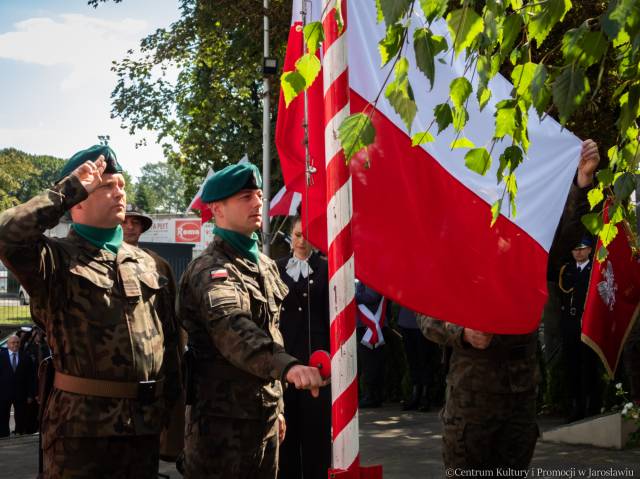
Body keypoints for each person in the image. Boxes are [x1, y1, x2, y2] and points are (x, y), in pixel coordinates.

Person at [417, 139, 600, 471]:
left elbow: (565, 242)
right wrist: (462, 331)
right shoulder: (454, 248)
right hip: (474, 396)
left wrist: (581, 183)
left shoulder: (524, 241)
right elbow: (426, 315)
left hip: (521, 392)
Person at [0, 145, 181, 477]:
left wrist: (174, 430)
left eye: (122, 186)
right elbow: (5, 234)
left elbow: (169, 347)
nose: (119, 193)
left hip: (143, 429)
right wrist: (65, 191)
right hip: (80, 432)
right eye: (107, 186)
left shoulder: (152, 264)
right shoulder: (53, 258)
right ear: (78, 201)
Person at [178, 162, 327, 478]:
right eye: (246, 196)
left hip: (265, 419)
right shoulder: (211, 268)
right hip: (221, 427)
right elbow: (233, 328)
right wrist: (289, 366)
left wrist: (279, 408)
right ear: (217, 209)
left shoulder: (264, 264)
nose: (259, 203)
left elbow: (273, 330)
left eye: (259, 195)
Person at [122, 203, 185, 462]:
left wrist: (176, 363)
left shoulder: (157, 264)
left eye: (136, 222)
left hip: (154, 365)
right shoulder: (95, 257)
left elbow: (172, 320)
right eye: (125, 220)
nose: (130, 226)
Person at [276, 216, 331, 479]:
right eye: (297, 235)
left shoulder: (327, 269)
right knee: (285, 436)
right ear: (290, 236)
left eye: (306, 235)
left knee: (316, 435)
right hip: (285, 363)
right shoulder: (275, 268)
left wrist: (331, 361)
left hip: (316, 363)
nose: (301, 241)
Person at [559, 236, 602, 422]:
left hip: (588, 321)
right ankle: (576, 406)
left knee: (589, 365)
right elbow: (563, 295)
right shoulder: (566, 270)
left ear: (590, 250)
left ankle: (592, 405)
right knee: (572, 365)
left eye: (582, 249)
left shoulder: (595, 270)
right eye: (575, 250)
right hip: (571, 322)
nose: (578, 252)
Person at [398, 307, 440, 411]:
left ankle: (425, 396)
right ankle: (415, 395)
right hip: (406, 320)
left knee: (425, 360)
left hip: (425, 320)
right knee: (413, 361)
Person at [356, 281, 389, 408]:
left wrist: (352, 295)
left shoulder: (370, 276)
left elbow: (372, 296)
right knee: (369, 362)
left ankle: (372, 395)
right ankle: (373, 394)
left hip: (371, 326)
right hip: (367, 325)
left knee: (371, 362)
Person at [0, 335, 36, 437]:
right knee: (3, 414)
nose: (15, 344)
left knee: (21, 414)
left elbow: (31, 377)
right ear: (8, 344)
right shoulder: (1, 356)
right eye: (13, 342)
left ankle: (19, 431)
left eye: (17, 342)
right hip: (3, 393)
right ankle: (3, 433)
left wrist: (30, 394)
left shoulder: (26, 357)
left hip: (21, 392)